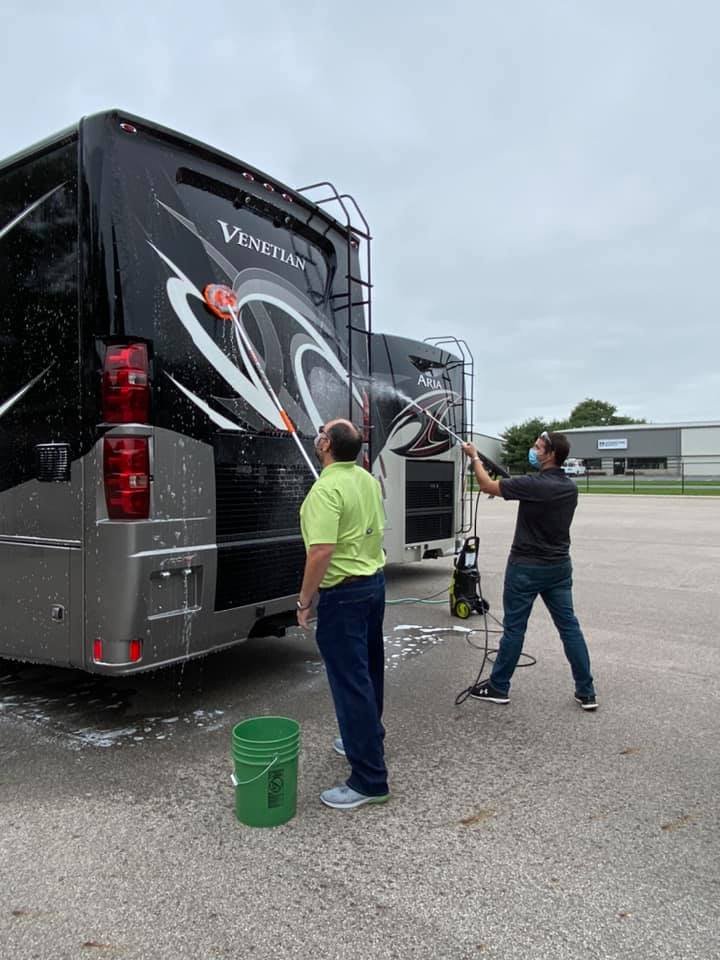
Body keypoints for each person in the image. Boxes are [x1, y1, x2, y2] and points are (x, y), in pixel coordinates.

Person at [462, 432, 598, 710]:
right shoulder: (569, 488)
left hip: (525, 567)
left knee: (514, 629)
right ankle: (586, 691)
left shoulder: (533, 485)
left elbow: (487, 486)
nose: (532, 450)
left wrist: (474, 457)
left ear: (550, 454)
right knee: (569, 627)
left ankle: (498, 687)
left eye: (537, 447)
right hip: (559, 567)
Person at [297, 419, 390, 809]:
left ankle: (369, 779)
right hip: (373, 586)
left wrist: (305, 601)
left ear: (325, 444)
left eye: (322, 431)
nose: (317, 434)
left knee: (350, 683)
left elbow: (320, 552)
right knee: (368, 671)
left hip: (345, 596)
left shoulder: (326, 489)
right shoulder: (367, 480)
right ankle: (367, 735)